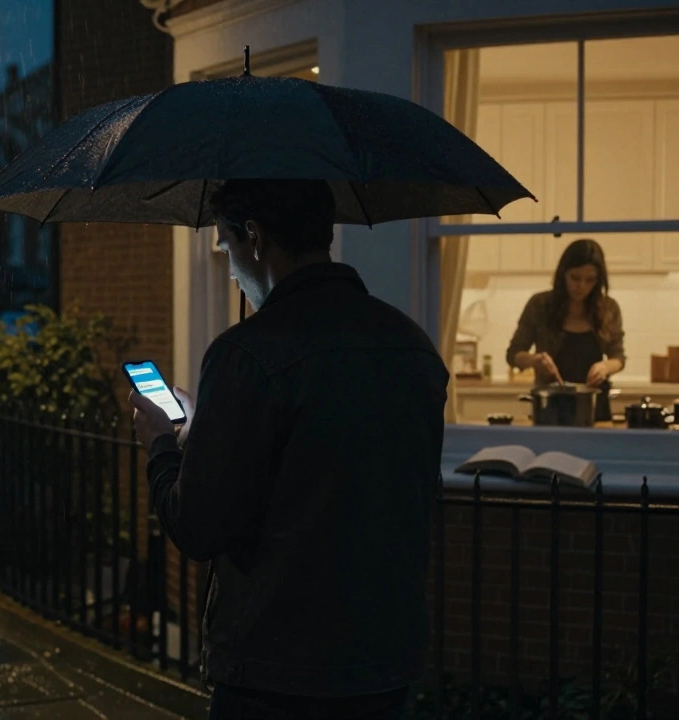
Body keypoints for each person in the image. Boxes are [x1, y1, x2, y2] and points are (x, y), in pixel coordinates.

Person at [128, 179, 449, 720]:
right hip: (385, 659)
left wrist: (162, 444)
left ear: (253, 237)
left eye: (225, 246)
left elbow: (198, 525)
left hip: (278, 671)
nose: (229, 267)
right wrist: (211, 432)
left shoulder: (247, 354)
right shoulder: (411, 344)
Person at [505, 238, 626, 421]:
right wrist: (535, 360)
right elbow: (513, 354)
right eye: (575, 278)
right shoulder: (540, 305)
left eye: (590, 280)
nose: (582, 286)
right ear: (563, 274)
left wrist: (604, 367)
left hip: (594, 407)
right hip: (550, 406)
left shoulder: (608, 308)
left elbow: (618, 357)